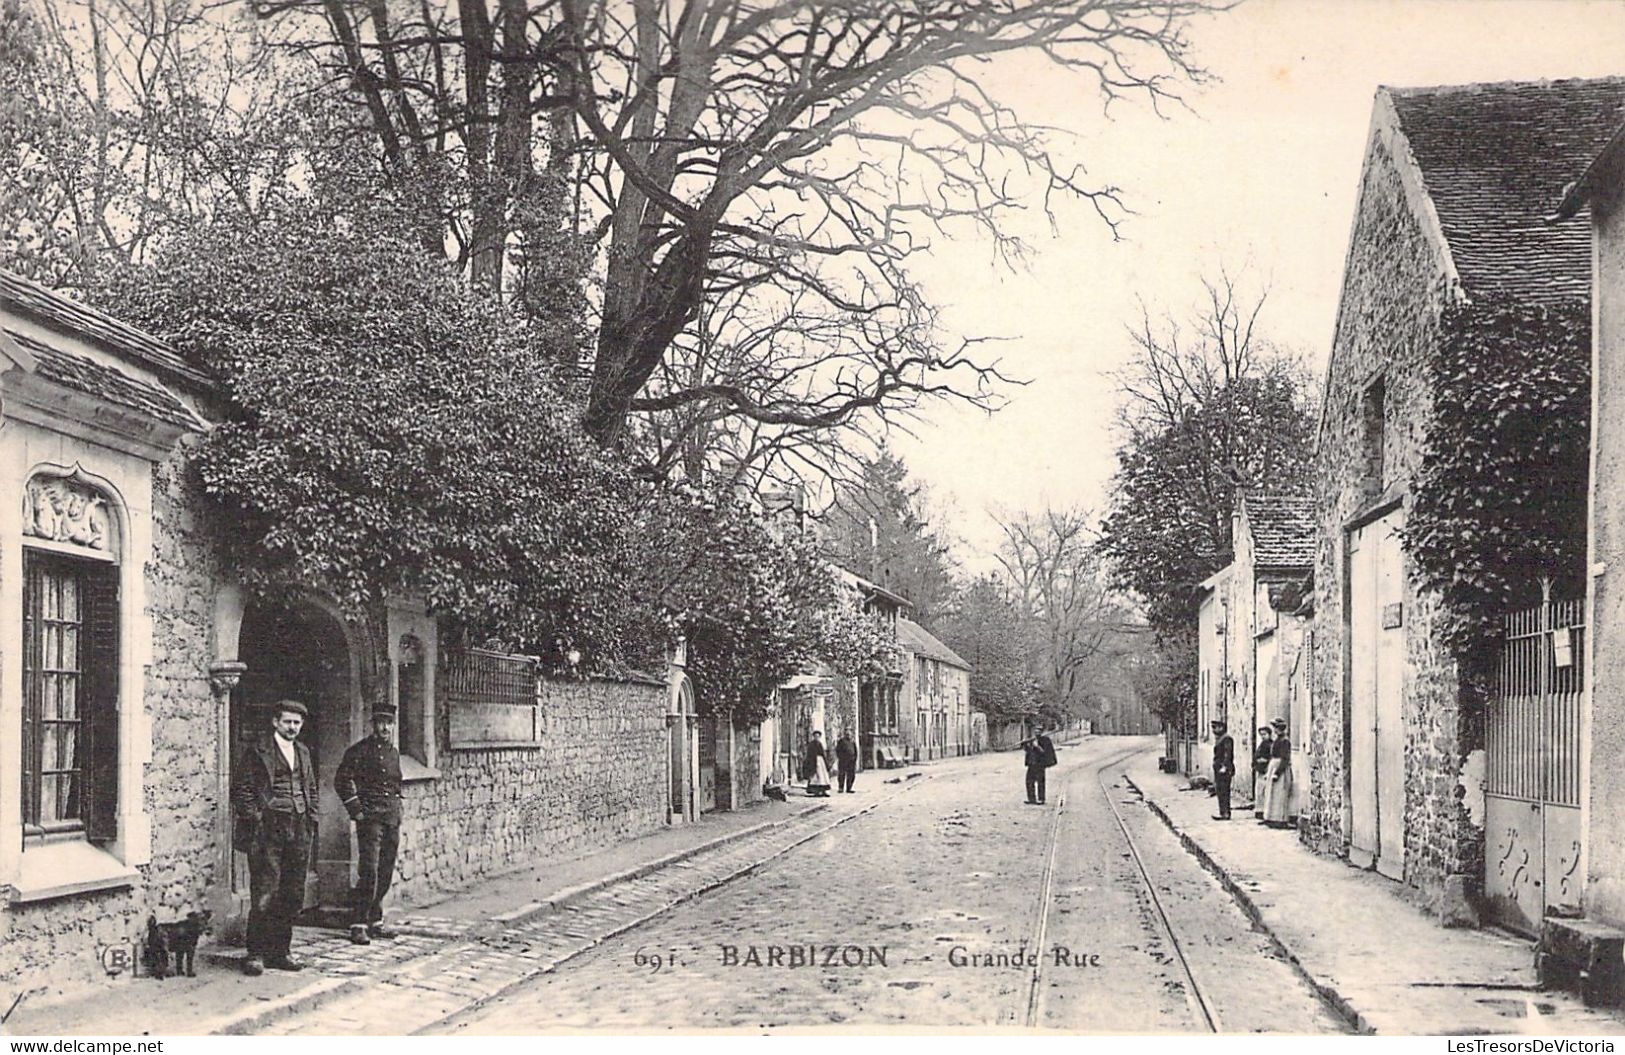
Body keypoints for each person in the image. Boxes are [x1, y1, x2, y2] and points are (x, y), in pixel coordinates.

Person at [231, 700, 318, 976]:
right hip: (268, 831)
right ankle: (256, 953)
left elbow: (311, 788)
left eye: (297, 723)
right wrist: (257, 818)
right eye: (288, 722)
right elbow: (241, 790)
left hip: (299, 827)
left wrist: (311, 817)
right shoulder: (259, 751)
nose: (293, 727)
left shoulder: (303, 751)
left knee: (292, 892)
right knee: (266, 890)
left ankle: (281, 952)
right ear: (275, 722)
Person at [335, 703, 404, 946]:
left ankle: (376, 921)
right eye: (380, 723)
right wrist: (357, 811)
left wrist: (398, 812)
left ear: (393, 726)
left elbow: (395, 786)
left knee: (385, 870)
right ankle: (358, 923)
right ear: (372, 724)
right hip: (371, 820)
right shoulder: (359, 751)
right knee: (370, 871)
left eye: (388, 723)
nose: (384, 727)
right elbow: (342, 780)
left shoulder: (394, 753)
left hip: (391, 819)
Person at [1263, 717, 1294, 827]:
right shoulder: (1277, 740)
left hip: (1280, 767)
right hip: (1274, 765)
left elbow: (1285, 758)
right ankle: (1271, 817)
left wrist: (1277, 772)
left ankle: (1280, 819)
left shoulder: (1285, 741)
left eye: (1276, 728)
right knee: (1272, 793)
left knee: (1280, 793)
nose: (1275, 730)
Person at [1021, 726, 1059, 805]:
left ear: (1041, 732)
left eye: (1038, 731)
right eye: (1035, 731)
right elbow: (1028, 751)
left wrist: (1037, 746)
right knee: (1029, 782)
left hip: (1040, 764)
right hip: (1031, 764)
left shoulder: (1045, 740)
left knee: (1040, 782)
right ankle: (1031, 799)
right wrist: (1026, 745)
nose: (1036, 733)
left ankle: (1041, 799)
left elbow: (1045, 752)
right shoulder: (1032, 739)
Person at [1210, 719, 1235, 820]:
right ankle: (1222, 812)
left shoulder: (1226, 739)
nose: (1213, 730)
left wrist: (1225, 766)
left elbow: (1227, 754)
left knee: (1224, 790)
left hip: (1223, 769)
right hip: (1218, 768)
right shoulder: (1220, 738)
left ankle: (1225, 813)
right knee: (1220, 790)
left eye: (1215, 727)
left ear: (1221, 728)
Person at [1252, 724, 1274, 818]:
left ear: (1269, 734)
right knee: (1259, 792)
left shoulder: (1271, 745)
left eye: (1264, 734)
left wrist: (1265, 761)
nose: (1263, 736)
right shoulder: (1262, 745)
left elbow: (1273, 757)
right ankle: (1259, 810)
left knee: (1265, 791)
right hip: (1260, 770)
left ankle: (1265, 811)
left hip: (1266, 770)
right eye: (1261, 734)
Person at [803, 731, 832, 797]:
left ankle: (823, 790)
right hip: (813, 761)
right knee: (815, 777)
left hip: (820, 762)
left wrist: (825, 762)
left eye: (818, 736)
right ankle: (816, 791)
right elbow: (809, 755)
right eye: (815, 736)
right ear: (813, 737)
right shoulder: (811, 745)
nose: (817, 737)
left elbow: (823, 754)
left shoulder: (820, 744)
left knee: (822, 776)